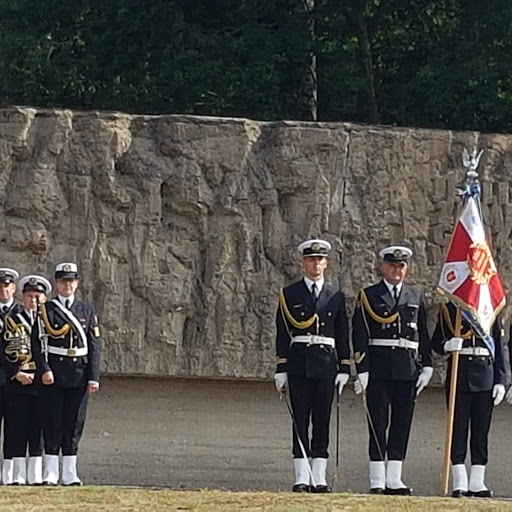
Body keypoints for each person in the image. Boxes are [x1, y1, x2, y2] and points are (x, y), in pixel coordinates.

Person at [352, 245, 433, 495]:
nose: (397, 270)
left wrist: (427, 365)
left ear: (406, 268)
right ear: (383, 267)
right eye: (392, 265)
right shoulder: (369, 295)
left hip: (407, 368)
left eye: (401, 266)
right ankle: (377, 478)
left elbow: (422, 334)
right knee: (378, 422)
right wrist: (362, 368)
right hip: (379, 368)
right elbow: (360, 333)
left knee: (401, 423)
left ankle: (394, 477)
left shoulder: (414, 296)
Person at [274, 239, 350, 493]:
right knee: (300, 420)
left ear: (326, 263)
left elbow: (342, 333)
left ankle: (319, 477)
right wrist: (281, 367)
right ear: (303, 263)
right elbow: (282, 333)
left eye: (320, 259)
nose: (315, 264)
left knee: (322, 420)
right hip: (299, 364)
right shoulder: (289, 294)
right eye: (311, 259)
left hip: (326, 365)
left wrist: (344, 367)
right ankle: (301, 477)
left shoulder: (335, 296)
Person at [32, 262, 101, 486]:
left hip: (79, 374)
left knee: (74, 424)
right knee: (52, 422)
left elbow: (94, 345)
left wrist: (93, 377)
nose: (67, 285)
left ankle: (70, 473)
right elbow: (36, 343)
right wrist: (44, 369)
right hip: (53, 374)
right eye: (63, 281)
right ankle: (51, 473)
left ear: (77, 283)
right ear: (57, 283)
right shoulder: (46, 310)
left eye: (71, 281)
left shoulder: (86, 310)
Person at [432, 301, 505, 498]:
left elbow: (498, 345)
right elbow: (436, 342)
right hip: (460, 373)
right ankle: (460, 480)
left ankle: (477, 481)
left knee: (481, 431)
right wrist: (447, 345)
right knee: (458, 428)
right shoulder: (450, 309)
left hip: (485, 374)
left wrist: (500, 379)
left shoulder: (490, 309)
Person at [1, 275, 51, 485]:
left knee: (38, 429)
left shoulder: (49, 320)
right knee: (17, 428)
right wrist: (15, 372)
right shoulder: (12, 319)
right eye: (30, 296)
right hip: (18, 381)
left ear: (44, 298)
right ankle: (17, 475)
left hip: (42, 382)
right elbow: (3, 350)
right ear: (23, 297)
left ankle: (36, 474)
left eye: (38, 296)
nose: (34, 300)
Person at [0, 267, 22, 484]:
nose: (3, 290)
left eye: (7, 286)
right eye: (0, 286)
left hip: (16, 380)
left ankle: (9, 473)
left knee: (14, 428)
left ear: (14, 288)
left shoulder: (21, 314)